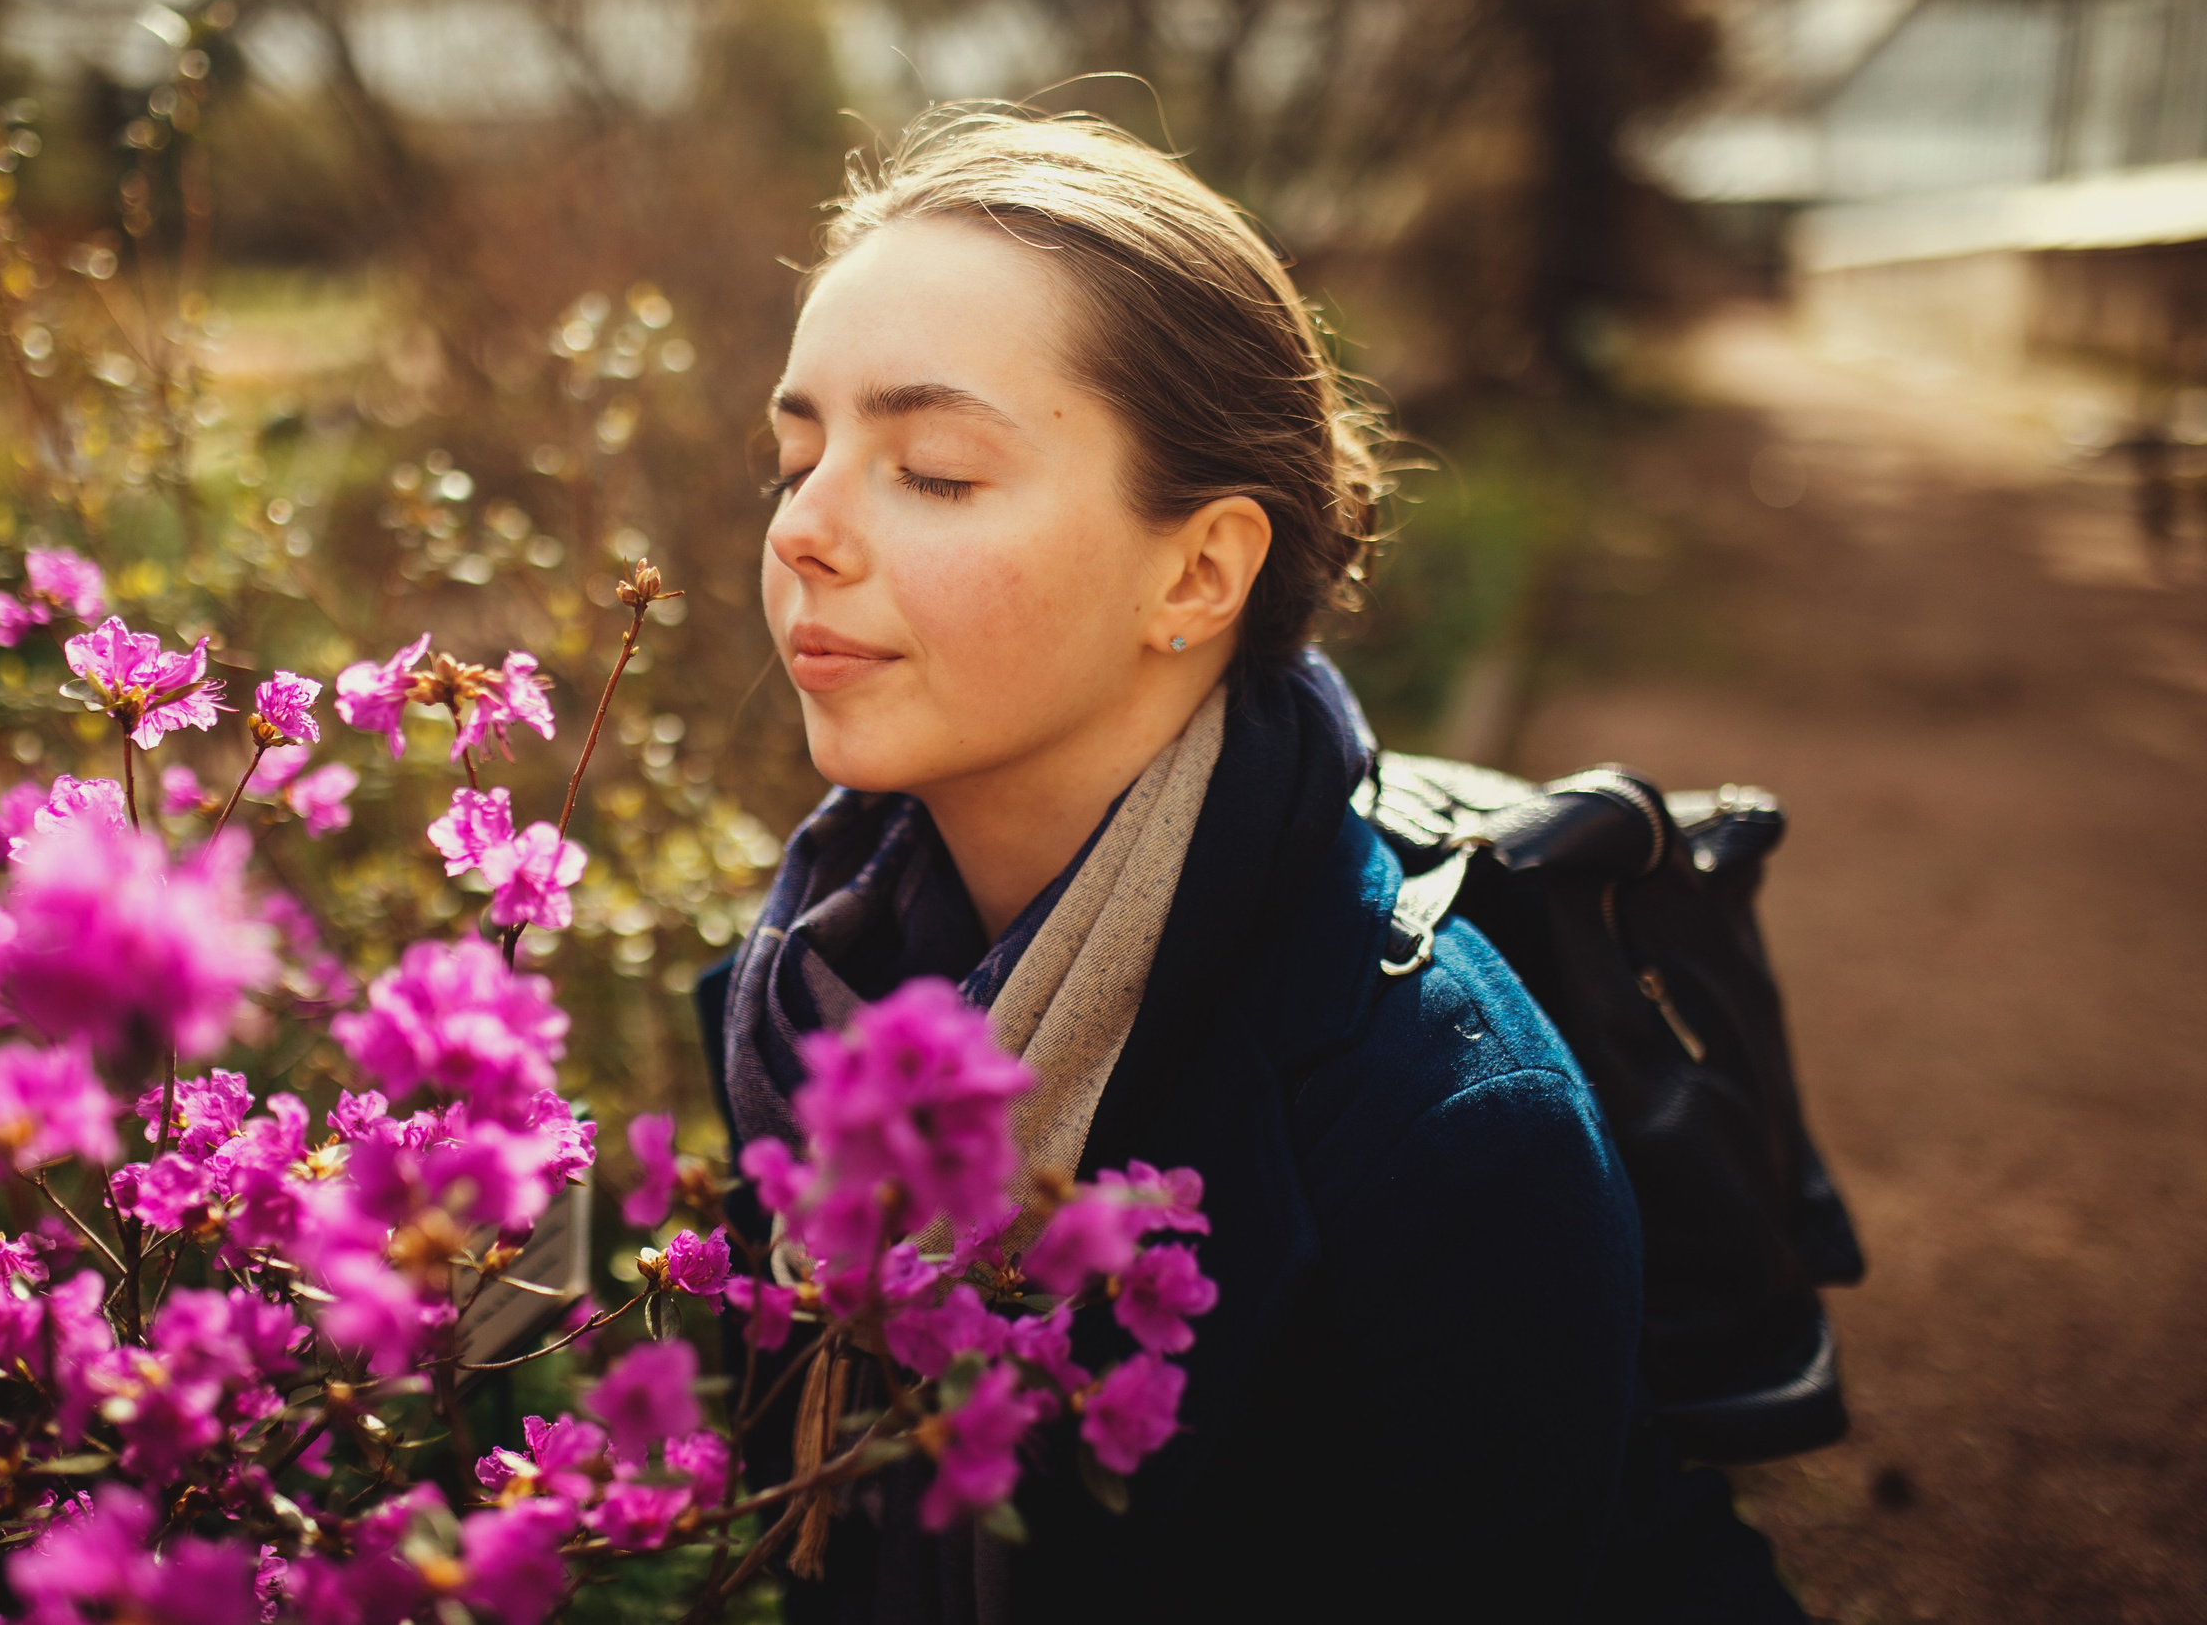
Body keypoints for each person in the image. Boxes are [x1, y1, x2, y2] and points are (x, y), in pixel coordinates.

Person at [698, 104, 1800, 1621]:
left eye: (935, 469)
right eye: (794, 453)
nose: (804, 530)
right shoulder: (802, 993)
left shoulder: (1452, 1127)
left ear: (1201, 570)